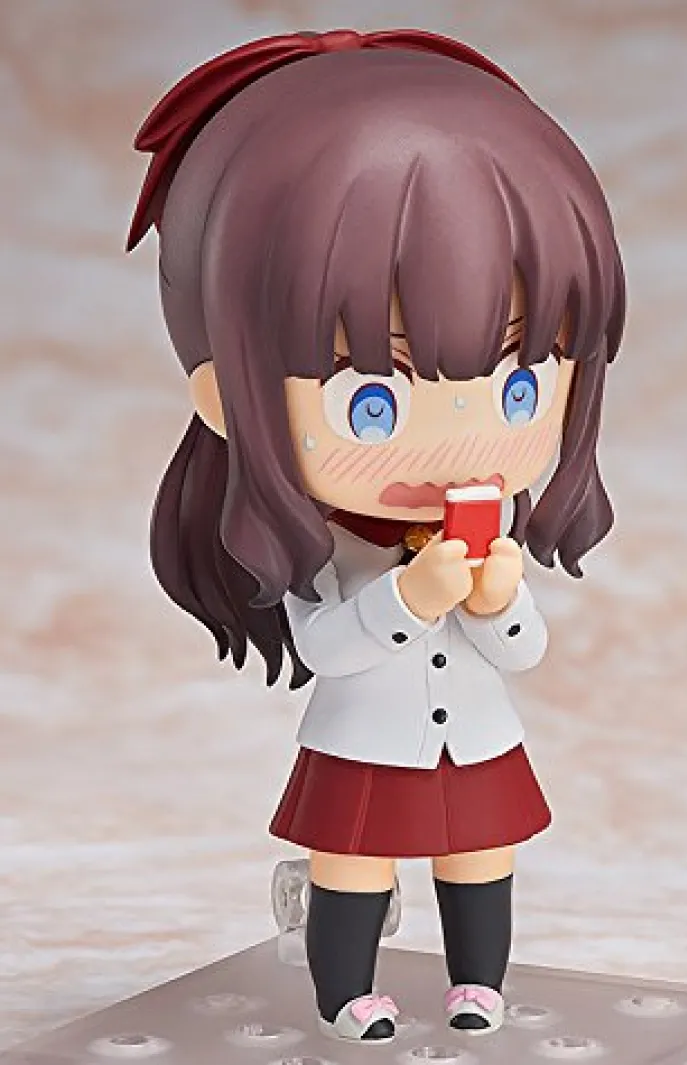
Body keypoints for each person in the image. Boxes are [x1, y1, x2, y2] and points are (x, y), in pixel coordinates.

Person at [127, 28, 626, 1044]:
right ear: (224, 394)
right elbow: (324, 645)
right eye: (373, 399)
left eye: (519, 383)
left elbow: (524, 651)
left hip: (474, 739)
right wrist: (409, 597)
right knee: (351, 863)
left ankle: (477, 984)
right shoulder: (318, 547)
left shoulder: (488, 531)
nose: (463, 437)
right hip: (362, 742)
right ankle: (346, 993)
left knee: (480, 858)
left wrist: (498, 602)